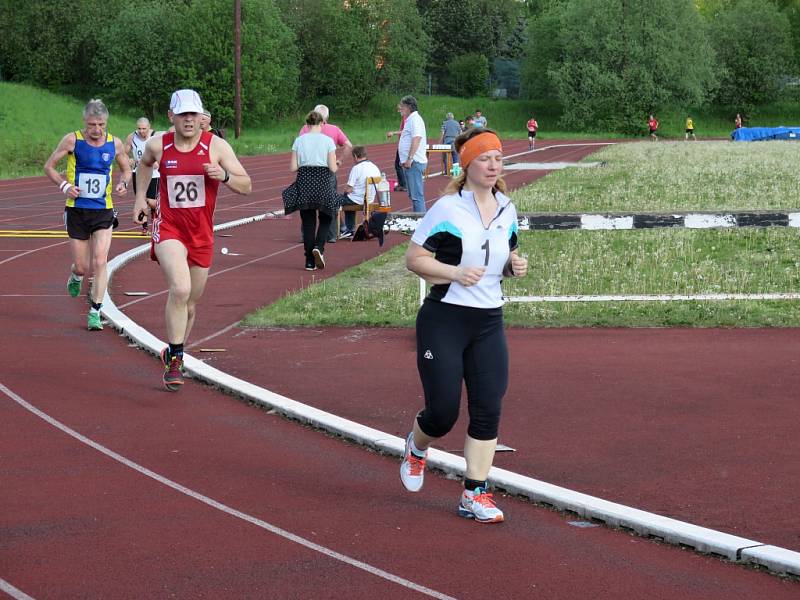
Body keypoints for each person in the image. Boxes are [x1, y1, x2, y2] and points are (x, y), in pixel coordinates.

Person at [400, 127, 528, 524]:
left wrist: (514, 265)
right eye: (485, 159)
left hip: (489, 320)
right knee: (442, 413)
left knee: (488, 408)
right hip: (445, 318)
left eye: (498, 159)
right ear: (467, 163)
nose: (493, 165)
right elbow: (414, 259)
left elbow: (504, 254)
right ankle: (417, 447)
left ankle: (475, 493)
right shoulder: (447, 208)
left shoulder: (507, 208)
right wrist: (454, 272)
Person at [132, 89, 251, 391]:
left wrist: (223, 176)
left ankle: (173, 350)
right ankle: (176, 360)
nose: (188, 120)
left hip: (201, 233)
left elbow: (247, 185)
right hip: (170, 228)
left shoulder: (217, 147)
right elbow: (144, 165)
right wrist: (139, 200)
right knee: (180, 288)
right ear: (171, 117)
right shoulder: (158, 145)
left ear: (202, 117)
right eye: (182, 114)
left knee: (191, 304)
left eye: (193, 114)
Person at [44, 98, 132, 331]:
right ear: (85, 121)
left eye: (101, 125)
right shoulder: (73, 140)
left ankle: (95, 311)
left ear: (106, 122)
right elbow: (49, 166)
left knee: (100, 261)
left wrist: (124, 183)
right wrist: (65, 186)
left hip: (103, 210)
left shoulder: (115, 143)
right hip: (77, 210)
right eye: (92, 124)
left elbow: (126, 168)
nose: (97, 130)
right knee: (82, 266)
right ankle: (76, 276)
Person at [288, 110, 339, 270]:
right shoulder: (328, 141)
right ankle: (319, 247)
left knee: (308, 222)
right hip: (323, 180)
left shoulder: (299, 141)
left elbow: (293, 167)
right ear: (322, 123)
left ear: (307, 124)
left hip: (304, 181)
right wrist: (336, 163)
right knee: (327, 216)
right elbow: (332, 168)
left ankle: (309, 261)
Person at [298, 104, 352, 243]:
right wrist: (339, 161)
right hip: (327, 171)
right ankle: (331, 235)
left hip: (308, 171)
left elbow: (299, 148)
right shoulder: (334, 130)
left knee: (307, 204)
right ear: (326, 117)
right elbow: (348, 145)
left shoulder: (305, 129)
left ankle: (307, 235)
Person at [336, 145, 381, 239]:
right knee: (347, 200)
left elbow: (349, 189)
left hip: (357, 199)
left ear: (356, 156)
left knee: (332, 200)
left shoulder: (356, 168)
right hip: (369, 199)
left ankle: (345, 229)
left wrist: (345, 190)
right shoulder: (375, 167)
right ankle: (350, 229)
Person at [397, 95, 427, 213]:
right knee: (414, 196)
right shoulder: (410, 119)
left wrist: (409, 158)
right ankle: (417, 221)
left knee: (416, 196)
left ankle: (420, 223)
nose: (400, 108)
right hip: (411, 162)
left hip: (414, 162)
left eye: (402, 106)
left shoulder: (415, 119)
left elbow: (417, 138)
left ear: (409, 107)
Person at [124, 118, 160, 212]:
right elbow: (123, 154)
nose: (141, 131)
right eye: (139, 128)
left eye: (144, 128)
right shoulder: (131, 137)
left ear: (149, 127)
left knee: (152, 201)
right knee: (140, 199)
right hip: (138, 172)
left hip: (154, 174)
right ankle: (144, 225)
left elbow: (165, 152)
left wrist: (158, 161)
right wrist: (128, 160)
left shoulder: (156, 136)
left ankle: (158, 216)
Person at [386, 109, 408, 192]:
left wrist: (393, 133)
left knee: (398, 165)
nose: (398, 111)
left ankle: (403, 184)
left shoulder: (406, 118)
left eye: (399, 109)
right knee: (399, 164)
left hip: (404, 145)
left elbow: (405, 131)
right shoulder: (405, 118)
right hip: (402, 144)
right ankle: (402, 184)